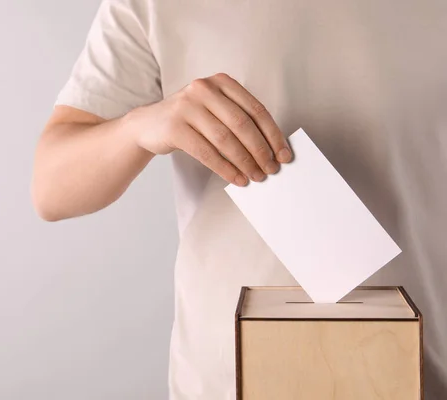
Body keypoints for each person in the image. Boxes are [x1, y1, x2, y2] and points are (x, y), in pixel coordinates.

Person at [31, 0, 447, 398]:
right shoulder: (155, 5)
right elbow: (51, 187)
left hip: (425, 375)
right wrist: (138, 127)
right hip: (227, 383)